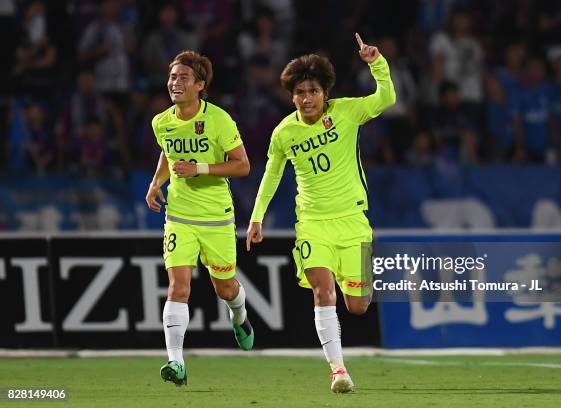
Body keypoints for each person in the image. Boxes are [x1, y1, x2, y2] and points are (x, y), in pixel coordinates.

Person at [246, 33, 396, 393]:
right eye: (299, 92)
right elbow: (271, 175)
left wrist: (376, 62)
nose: (306, 98)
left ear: (324, 92)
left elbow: (386, 97)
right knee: (322, 292)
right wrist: (256, 217)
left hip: (353, 221)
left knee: (358, 306)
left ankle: (351, 279)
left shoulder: (346, 112)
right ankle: (338, 371)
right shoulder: (284, 132)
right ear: (291, 95)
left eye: (312, 90)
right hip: (312, 224)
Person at [146, 50, 253, 387]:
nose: (175, 83)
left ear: (200, 85)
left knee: (225, 288)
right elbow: (168, 151)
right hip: (179, 216)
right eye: (172, 77)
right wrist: (155, 182)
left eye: (183, 78)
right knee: (178, 287)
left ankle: (240, 316)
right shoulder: (161, 121)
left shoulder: (219, 120)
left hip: (216, 217)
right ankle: (175, 363)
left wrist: (200, 169)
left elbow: (242, 164)